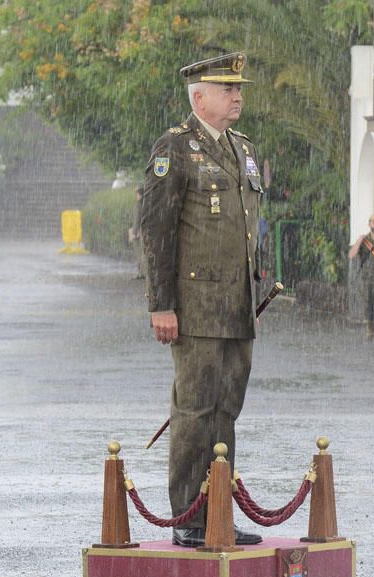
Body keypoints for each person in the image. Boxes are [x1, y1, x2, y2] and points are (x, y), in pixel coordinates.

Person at [140, 52, 264, 548]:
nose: (237, 97)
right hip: (194, 306)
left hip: (237, 305)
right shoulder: (176, 147)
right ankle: (190, 516)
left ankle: (218, 515)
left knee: (225, 411)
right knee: (194, 410)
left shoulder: (244, 149)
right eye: (226, 89)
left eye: (238, 89)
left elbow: (249, 228)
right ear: (199, 97)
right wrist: (160, 304)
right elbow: (156, 229)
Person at [128, 185, 145, 279]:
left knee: (139, 253)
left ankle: (142, 272)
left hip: (139, 231)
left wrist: (134, 231)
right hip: (142, 231)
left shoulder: (139, 204)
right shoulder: (145, 203)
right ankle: (143, 272)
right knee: (142, 253)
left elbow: (137, 219)